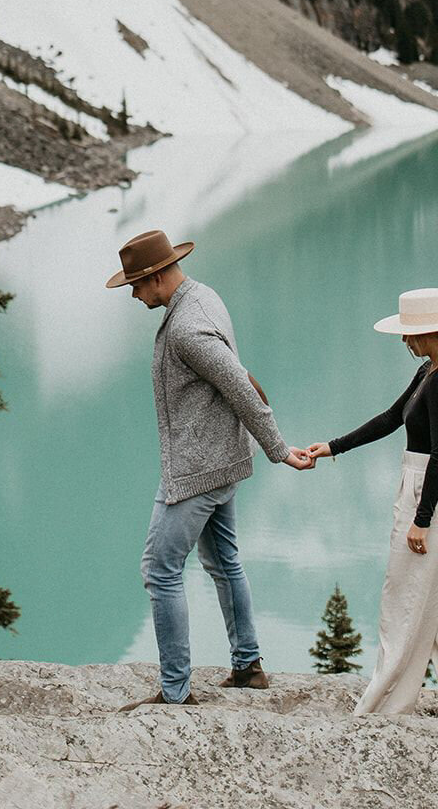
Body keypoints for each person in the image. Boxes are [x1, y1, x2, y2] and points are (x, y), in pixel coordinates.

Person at [109, 228, 313, 707]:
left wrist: (279, 449)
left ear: (157, 277)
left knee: (159, 569)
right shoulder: (203, 297)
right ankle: (248, 666)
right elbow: (239, 375)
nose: (134, 295)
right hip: (224, 463)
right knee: (224, 562)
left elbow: (240, 388)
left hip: (197, 472)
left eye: (136, 286)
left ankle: (176, 692)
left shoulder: (186, 327)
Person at [305, 286, 438, 724]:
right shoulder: (435, 370)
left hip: (434, 496)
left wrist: (421, 521)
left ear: (428, 332)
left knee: (403, 604)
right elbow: (392, 418)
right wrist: (332, 447)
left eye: (409, 333)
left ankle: (385, 707)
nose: (404, 340)